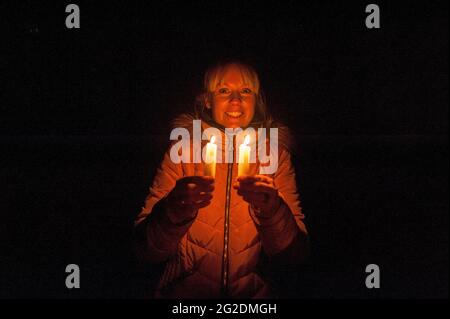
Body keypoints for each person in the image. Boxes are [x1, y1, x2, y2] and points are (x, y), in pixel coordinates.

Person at [133, 60, 309, 298]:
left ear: (256, 100)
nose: (236, 100)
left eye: (246, 91)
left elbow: (294, 257)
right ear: (208, 100)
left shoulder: (274, 155)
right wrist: (173, 211)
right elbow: (145, 251)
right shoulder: (183, 152)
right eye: (224, 90)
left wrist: (273, 210)